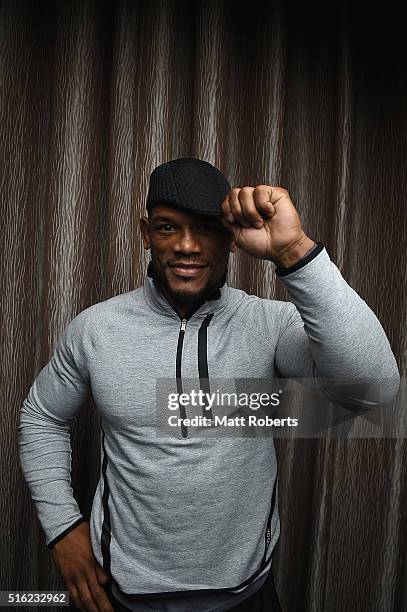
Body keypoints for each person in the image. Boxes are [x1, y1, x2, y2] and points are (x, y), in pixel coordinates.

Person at [18, 158, 400, 612]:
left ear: (232, 239)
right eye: (166, 228)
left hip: (246, 594)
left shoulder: (270, 323)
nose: (186, 246)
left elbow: (373, 391)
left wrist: (293, 250)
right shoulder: (95, 329)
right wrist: (63, 529)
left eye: (206, 228)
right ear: (145, 234)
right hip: (125, 594)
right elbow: (41, 415)